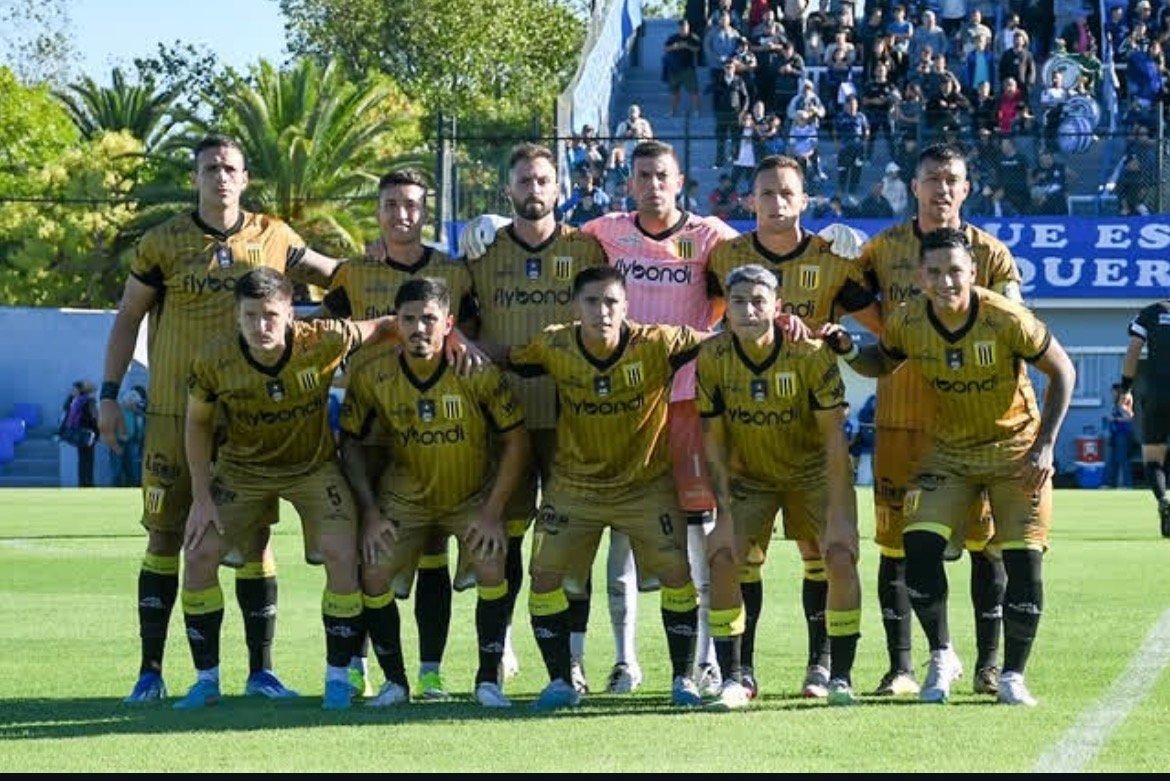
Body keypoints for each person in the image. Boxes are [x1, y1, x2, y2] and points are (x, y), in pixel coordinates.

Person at [100, 133, 340, 704]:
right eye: (210, 168)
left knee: (253, 541)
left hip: (249, 417)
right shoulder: (162, 243)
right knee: (164, 537)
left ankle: (261, 671)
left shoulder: (275, 237)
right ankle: (151, 672)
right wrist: (109, 395)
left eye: (230, 167)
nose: (221, 177)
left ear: (245, 177)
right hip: (170, 413)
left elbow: (342, 277)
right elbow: (128, 316)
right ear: (196, 178)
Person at [825, 227, 1075, 706]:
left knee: (1023, 560)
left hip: (1014, 449)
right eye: (935, 272)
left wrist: (1045, 445)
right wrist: (849, 349)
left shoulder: (1005, 317)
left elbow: (1063, 370)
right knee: (916, 547)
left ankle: (1012, 676)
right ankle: (943, 655)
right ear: (920, 276)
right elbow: (883, 362)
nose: (945, 281)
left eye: (955, 271)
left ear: (973, 273)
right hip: (951, 453)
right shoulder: (909, 319)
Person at [178, 266, 395, 710]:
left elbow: (386, 325)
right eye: (251, 315)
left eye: (271, 316)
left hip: (313, 468)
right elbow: (198, 424)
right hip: (242, 470)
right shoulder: (213, 360)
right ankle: (206, 681)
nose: (261, 326)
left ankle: (338, 679)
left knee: (341, 552)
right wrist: (201, 497)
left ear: (291, 314)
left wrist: (456, 342)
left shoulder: (325, 339)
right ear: (235, 316)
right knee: (198, 553)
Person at [501, 265, 712, 711]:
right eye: (592, 302)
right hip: (576, 487)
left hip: (645, 485)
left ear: (626, 306)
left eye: (611, 302)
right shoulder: (554, 344)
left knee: (678, 576)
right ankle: (560, 679)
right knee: (544, 579)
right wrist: (456, 344)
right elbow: (508, 356)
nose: (602, 311)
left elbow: (719, 340)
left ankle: (683, 679)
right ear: (576, 308)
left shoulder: (656, 342)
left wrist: (781, 324)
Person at [856, 142, 1024, 700]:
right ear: (914, 186)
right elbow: (846, 298)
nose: (942, 189)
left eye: (953, 178)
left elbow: (1017, 325)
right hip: (902, 417)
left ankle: (990, 664)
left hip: (971, 423)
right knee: (897, 545)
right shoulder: (883, 249)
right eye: (932, 179)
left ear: (967, 186)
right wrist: (889, 332)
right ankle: (905, 665)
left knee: (986, 545)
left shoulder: (992, 254)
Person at [708, 155, 880, 700]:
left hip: (813, 434)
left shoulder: (833, 256)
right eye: (766, 193)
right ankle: (739, 672)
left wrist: (868, 255)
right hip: (749, 443)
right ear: (750, 200)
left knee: (822, 554)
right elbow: (698, 314)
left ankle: (823, 668)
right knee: (736, 559)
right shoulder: (725, 256)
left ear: (805, 200)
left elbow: (884, 329)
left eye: (788, 193)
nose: (777, 202)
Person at [318, 168, 480, 700]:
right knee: (367, 549)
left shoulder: (454, 272)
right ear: (379, 210)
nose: (401, 214)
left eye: (411, 205)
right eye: (391, 204)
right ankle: (361, 665)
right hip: (370, 428)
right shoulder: (353, 274)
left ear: (424, 211)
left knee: (433, 548)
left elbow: (469, 341)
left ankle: (430, 671)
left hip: (435, 430)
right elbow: (330, 338)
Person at [338, 277, 530, 709]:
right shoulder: (374, 374)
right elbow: (348, 443)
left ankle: (487, 680)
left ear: (449, 324)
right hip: (405, 497)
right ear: (397, 323)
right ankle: (395, 683)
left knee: (492, 560)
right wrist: (369, 512)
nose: (418, 329)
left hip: (469, 498)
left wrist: (492, 511)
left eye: (428, 319)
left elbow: (516, 440)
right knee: (373, 569)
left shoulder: (476, 371)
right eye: (408, 319)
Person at [463, 142, 608, 694]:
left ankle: (571, 659)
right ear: (508, 191)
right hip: (505, 420)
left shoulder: (587, 248)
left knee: (568, 545)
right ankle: (499, 653)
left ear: (560, 188)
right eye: (523, 181)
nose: (533, 190)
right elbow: (448, 316)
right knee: (506, 540)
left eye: (543, 180)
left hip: (574, 420)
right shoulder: (482, 252)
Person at [698, 263, 863, 709]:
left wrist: (840, 514)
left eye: (758, 301)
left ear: (777, 306)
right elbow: (713, 440)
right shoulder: (712, 358)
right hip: (750, 475)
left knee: (840, 555)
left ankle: (837, 675)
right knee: (724, 555)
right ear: (725, 310)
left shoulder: (809, 355)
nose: (749, 310)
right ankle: (735, 675)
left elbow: (833, 437)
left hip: (812, 473)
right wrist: (723, 515)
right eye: (738, 302)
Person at [1120, 298, 1170, 536]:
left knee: (1153, 456)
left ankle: (1163, 500)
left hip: (1157, 394)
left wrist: (1126, 388)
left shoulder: (1150, 313)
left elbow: (1133, 350)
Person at [61, 379, 99, 486]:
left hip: (78, 433)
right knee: (89, 461)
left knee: (82, 460)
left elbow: (66, 417)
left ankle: (82, 484)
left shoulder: (73, 401)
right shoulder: (89, 401)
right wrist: (97, 433)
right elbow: (94, 418)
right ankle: (88, 484)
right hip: (89, 433)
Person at [108, 386, 147, 487]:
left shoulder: (136, 413)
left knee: (132, 471)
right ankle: (115, 492)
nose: (137, 405)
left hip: (131, 441)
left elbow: (139, 427)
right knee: (117, 471)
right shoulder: (119, 409)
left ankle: (130, 490)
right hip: (118, 442)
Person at [664, 18, 703, 117]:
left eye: (685, 27)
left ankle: (696, 111)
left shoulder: (693, 37)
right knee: (674, 92)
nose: (683, 29)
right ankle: (672, 111)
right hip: (674, 69)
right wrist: (675, 47)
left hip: (688, 69)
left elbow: (698, 49)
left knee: (694, 91)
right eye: (681, 27)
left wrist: (687, 46)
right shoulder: (673, 38)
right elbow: (665, 48)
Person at [1104, 383, 1136, 489]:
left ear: (1118, 391)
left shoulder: (1123, 402)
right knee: (1112, 459)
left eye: (1113, 392)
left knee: (1123, 459)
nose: (1111, 394)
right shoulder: (1115, 403)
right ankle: (1110, 484)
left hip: (1123, 434)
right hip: (1115, 433)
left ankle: (1128, 484)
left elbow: (1130, 417)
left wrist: (1115, 419)